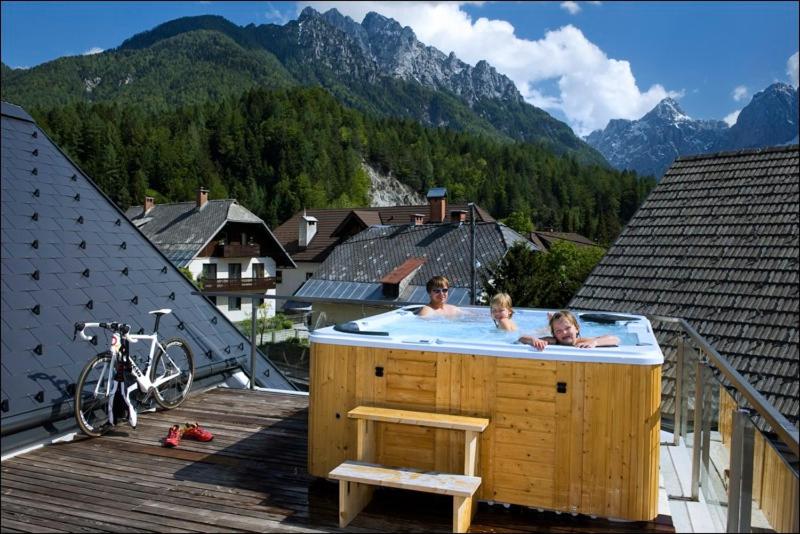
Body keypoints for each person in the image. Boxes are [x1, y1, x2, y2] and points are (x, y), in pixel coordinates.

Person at [519, 310, 619, 350]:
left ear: (577, 328)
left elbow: (615, 339)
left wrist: (595, 342)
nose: (564, 332)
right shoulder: (553, 341)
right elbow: (521, 338)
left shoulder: (584, 341)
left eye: (567, 328)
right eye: (558, 331)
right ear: (554, 334)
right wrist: (533, 340)